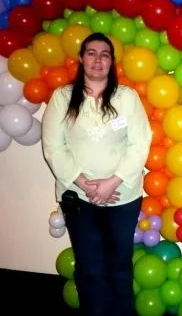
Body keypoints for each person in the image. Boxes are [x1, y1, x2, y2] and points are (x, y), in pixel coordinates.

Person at [41, 32, 152, 316]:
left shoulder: (126, 98)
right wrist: (85, 184)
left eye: (105, 54)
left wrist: (111, 182)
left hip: (123, 196)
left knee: (119, 264)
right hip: (78, 198)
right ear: (81, 58)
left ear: (112, 61)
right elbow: (54, 147)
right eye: (91, 53)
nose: (98, 60)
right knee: (90, 266)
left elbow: (141, 142)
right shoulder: (62, 98)